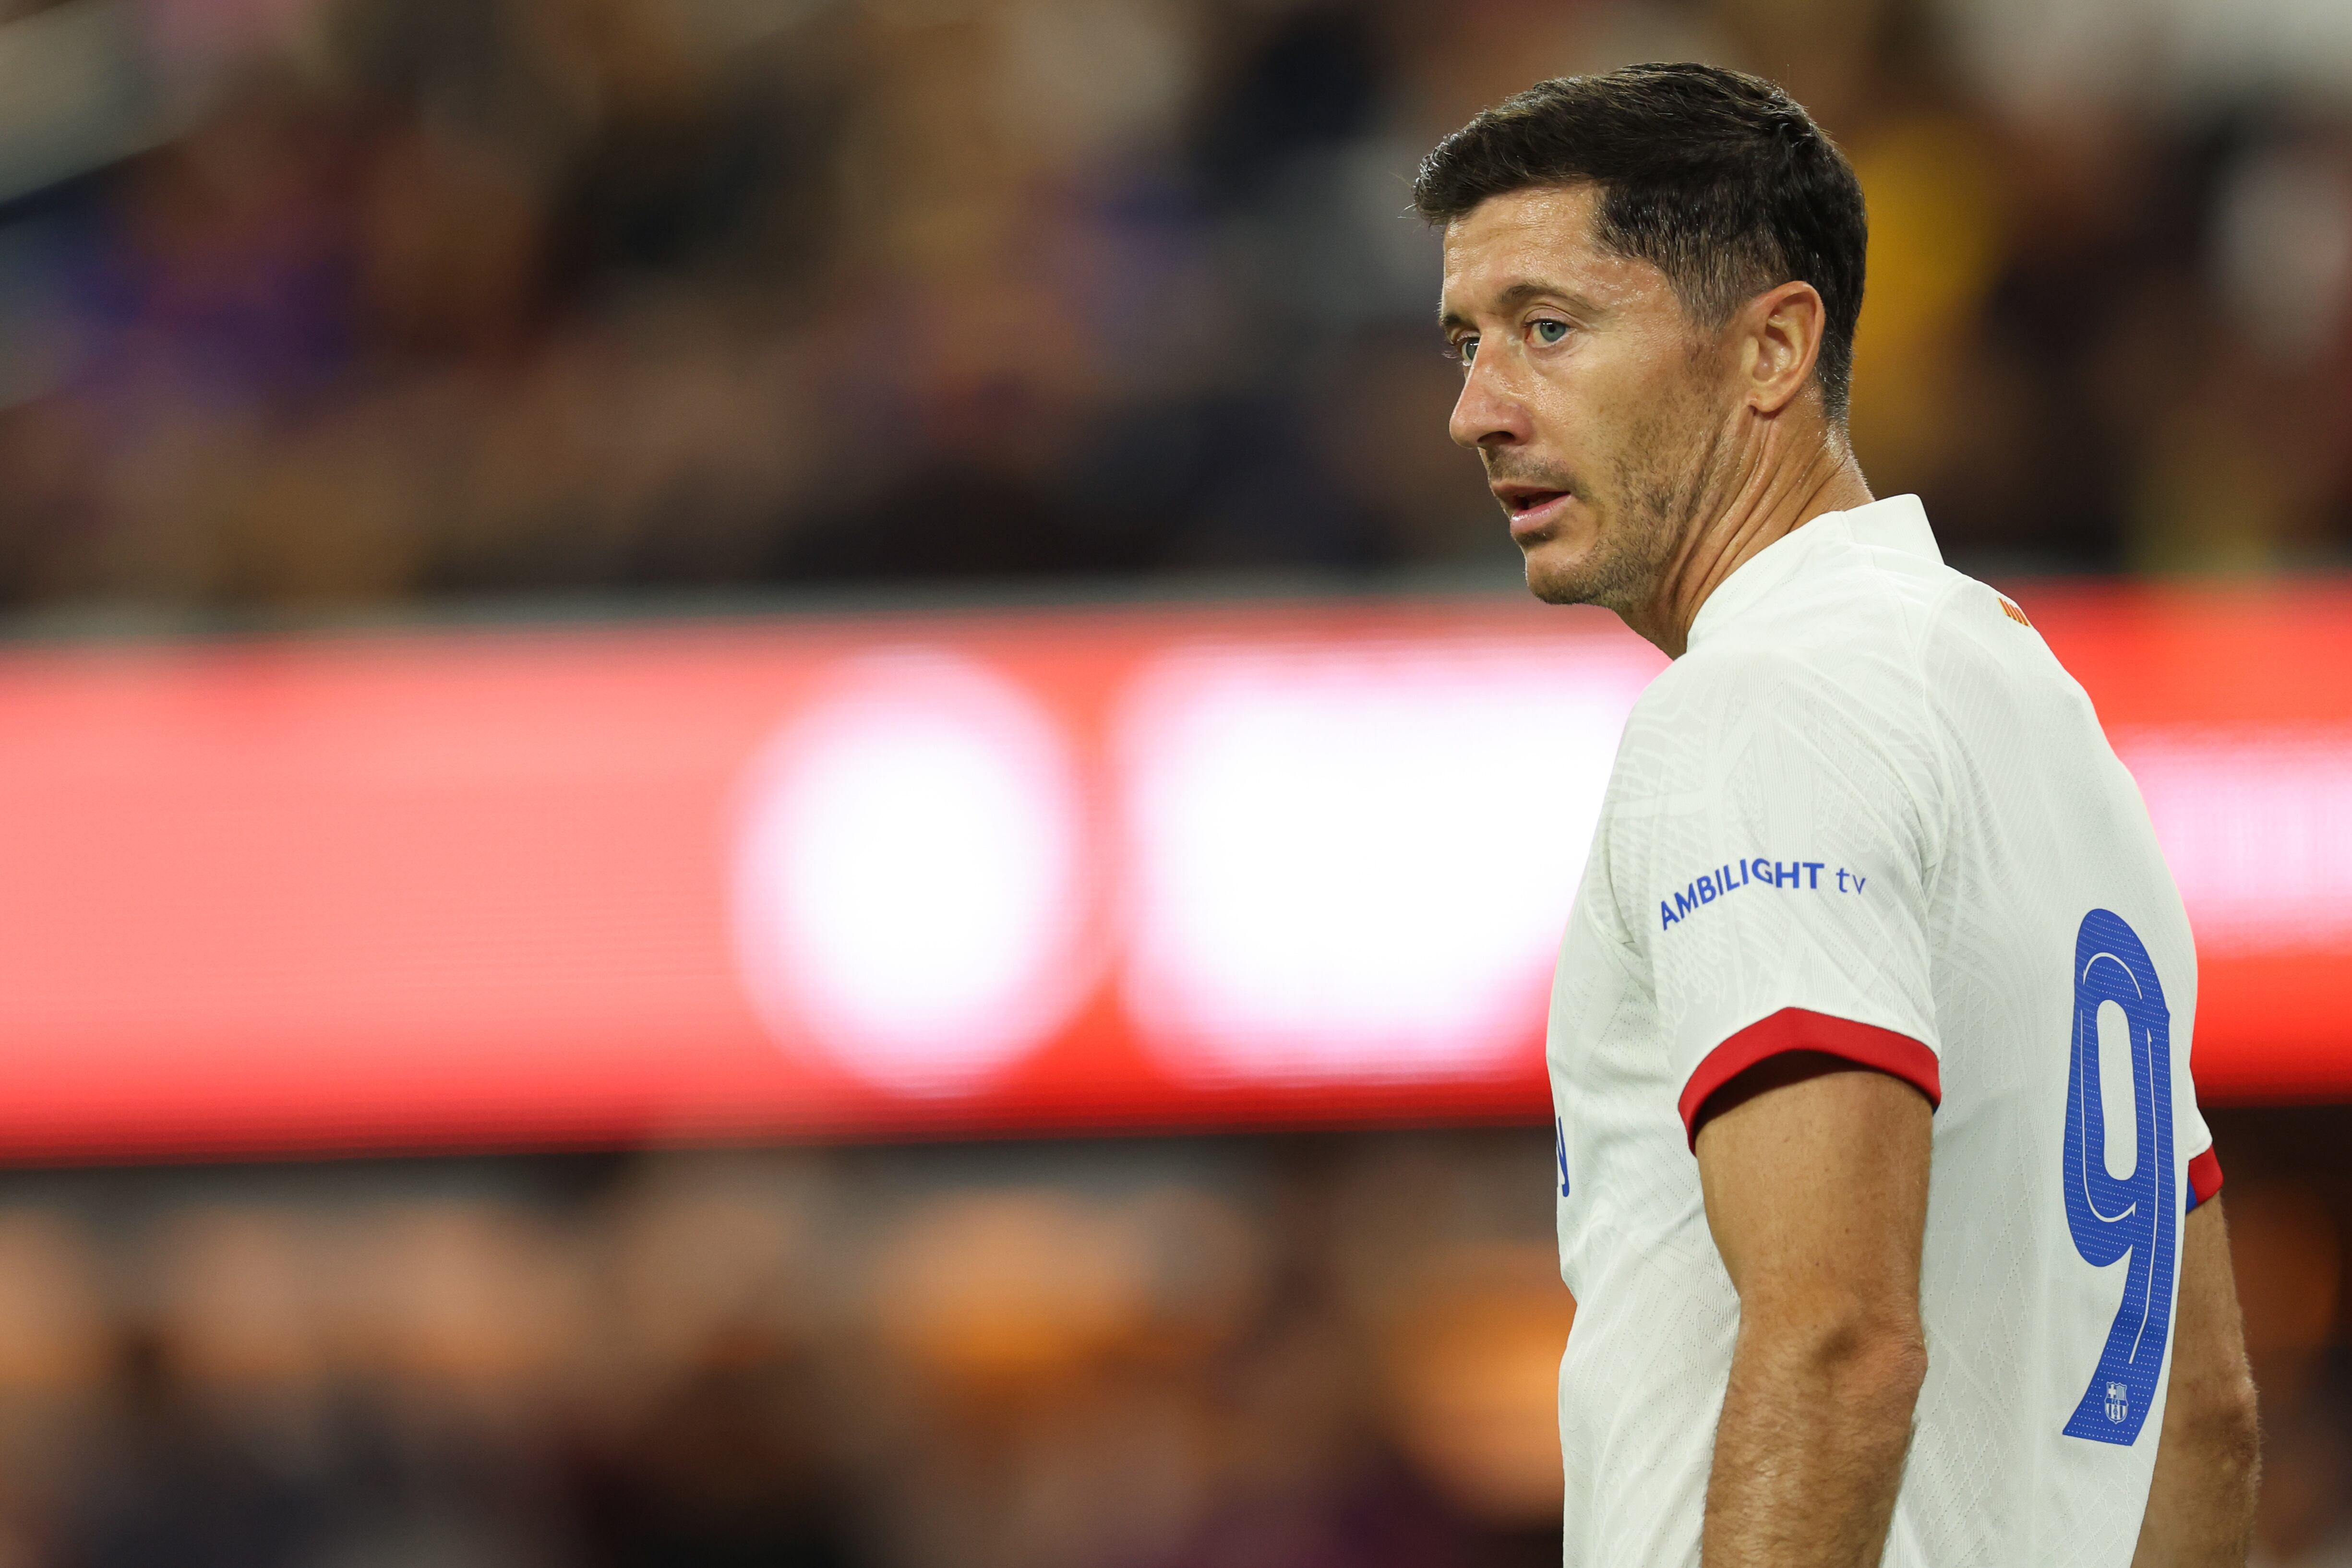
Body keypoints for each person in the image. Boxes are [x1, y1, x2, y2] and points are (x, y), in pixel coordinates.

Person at [1417, 64, 2260, 1567]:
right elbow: (2202, 1414)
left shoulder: (1763, 707)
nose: (1478, 410)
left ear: (1772, 349)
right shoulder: (2038, 717)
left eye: (1548, 327)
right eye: (1466, 342)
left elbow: (1835, 1343)